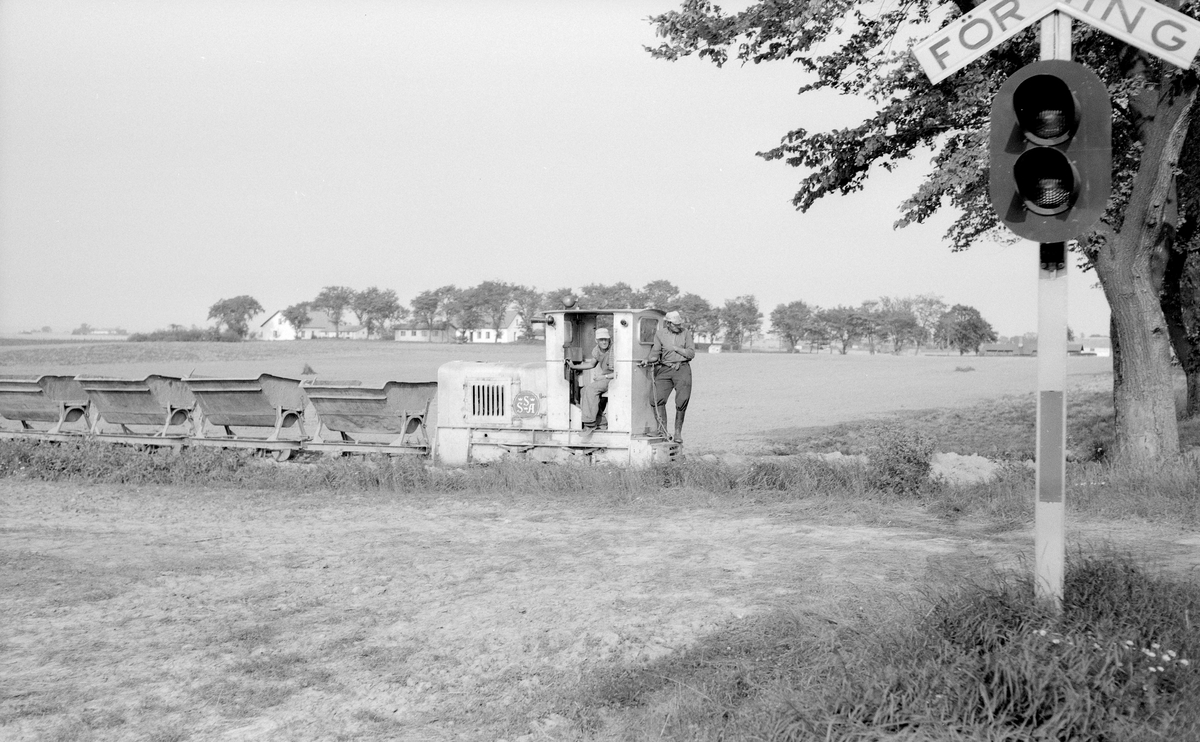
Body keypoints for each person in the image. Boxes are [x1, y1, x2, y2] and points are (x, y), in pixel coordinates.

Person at [640, 310, 694, 444]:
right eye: (675, 324)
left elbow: (691, 353)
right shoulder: (660, 334)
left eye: (679, 324)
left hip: (682, 368)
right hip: (665, 368)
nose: (678, 326)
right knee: (655, 398)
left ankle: (677, 433)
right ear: (668, 323)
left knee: (682, 401)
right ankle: (662, 429)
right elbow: (655, 353)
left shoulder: (686, 333)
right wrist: (648, 360)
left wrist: (676, 348)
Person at [569, 327, 614, 431]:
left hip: (614, 379)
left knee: (591, 389)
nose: (604, 342)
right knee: (584, 390)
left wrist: (603, 377)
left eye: (605, 339)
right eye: (601, 340)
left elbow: (619, 372)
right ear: (596, 341)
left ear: (609, 339)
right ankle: (601, 422)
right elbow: (591, 364)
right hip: (605, 378)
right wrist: (574, 367)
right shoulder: (597, 350)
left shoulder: (614, 350)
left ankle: (590, 423)